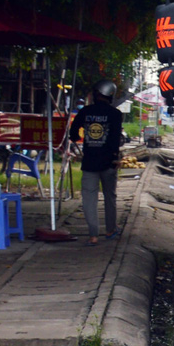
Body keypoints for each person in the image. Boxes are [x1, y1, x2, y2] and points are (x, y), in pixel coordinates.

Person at [69, 81, 126, 241]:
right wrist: (115, 157)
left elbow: (73, 133)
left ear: (97, 94)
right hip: (109, 163)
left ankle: (93, 235)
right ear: (110, 95)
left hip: (89, 163)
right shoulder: (115, 114)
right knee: (110, 197)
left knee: (89, 199)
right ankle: (110, 230)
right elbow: (115, 139)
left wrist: (79, 138)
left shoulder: (86, 112)